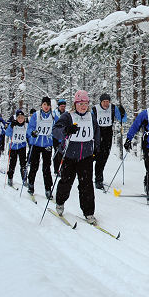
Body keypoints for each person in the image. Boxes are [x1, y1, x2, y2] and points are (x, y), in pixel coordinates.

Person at [53, 90, 100, 224]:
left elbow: (96, 133)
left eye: (85, 104)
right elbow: (55, 130)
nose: (83, 106)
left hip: (86, 156)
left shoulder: (91, 117)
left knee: (86, 185)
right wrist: (65, 131)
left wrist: (96, 149)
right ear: (75, 104)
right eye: (80, 104)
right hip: (69, 155)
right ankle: (60, 202)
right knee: (66, 182)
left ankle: (89, 212)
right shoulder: (68, 116)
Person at [92, 93, 126, 189]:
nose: (106, 104)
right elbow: (90, 121)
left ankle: (98, 176)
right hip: (98, 134)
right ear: (101, 102)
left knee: (105, 156)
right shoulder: (95, 109)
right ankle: (98, 179)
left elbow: (122, 119)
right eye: (104, 102)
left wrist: (123, 112)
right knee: (98, 157)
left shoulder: (113, 108)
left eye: (107, 101)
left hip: (108, 133)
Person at [26, 97, 55, 199]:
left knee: (46, 168)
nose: (46, 107)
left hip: (47, 144)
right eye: (44, 105)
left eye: (48, 105)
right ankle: (31, 184)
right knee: (34, 165)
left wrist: (58, 140)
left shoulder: (53, 116)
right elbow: (30, 128)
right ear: (41, 105)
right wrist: (32, 133)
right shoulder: (36, 115)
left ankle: (48, 188)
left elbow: (56, 129)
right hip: (36, 143)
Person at [5, 109, 28, 187]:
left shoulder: (26, 125)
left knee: (23, 164)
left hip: (22, 146)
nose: (21, 119)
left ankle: (24, 179)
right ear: (16, 118)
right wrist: (11, 126)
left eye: (22, 117)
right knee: (12, 164)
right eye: (19, 117)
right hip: (13, 146)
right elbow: (7, 133)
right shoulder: (13, 124)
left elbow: (29, 135)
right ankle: (10, 178)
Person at [52, 99, 67, 177]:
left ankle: (62, 169)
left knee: (63, 153)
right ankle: (56, 169)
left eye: (64, 106)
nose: (63, 108)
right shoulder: (54, 114)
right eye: (61, 106)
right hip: (56, 136)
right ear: (58, 106)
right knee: (57, 152)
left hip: (64, 136)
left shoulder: (66, 113)